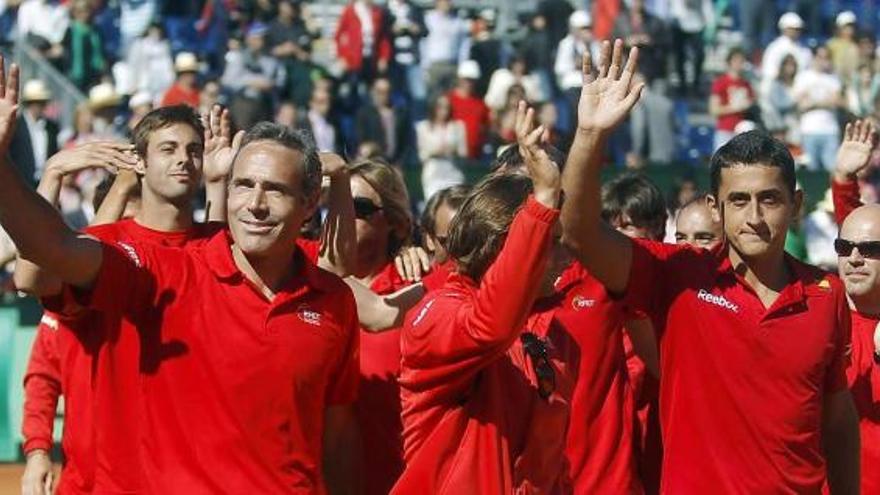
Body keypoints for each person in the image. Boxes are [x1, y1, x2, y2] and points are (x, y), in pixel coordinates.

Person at [0, 50, 357, 489]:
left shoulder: (331, 299)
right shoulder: (164, 269)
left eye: (276, 190)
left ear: (308, 205)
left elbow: (338, 440)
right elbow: (48, 252)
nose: (256, 204)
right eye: (243, 185)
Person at [561, 40, 859, 493]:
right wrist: (590, 136)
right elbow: (579, 232)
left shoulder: (827, 293)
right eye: (738, 200)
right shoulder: (676, 275)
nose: (754, 217)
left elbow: (837, 421)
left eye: (770, 199)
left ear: (795, 205)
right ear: (714, 208)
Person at [391, 101, 570, 493]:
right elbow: (488, 327)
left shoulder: (537, 339)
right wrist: (540, 205)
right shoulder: (437, 313)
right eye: (552, 243)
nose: (567, 256)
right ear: (502, 247)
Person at [821, 119, 880, 494]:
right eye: (843, 251)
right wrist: (842, 176)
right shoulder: (818, 304)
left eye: (871, 252)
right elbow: (859, 233)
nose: (855, 259)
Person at [792, 46, 843, 171]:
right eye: (820, 57)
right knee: (810, 168)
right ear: (813, 58)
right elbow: (800, 104)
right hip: (809, 129)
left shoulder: (833, 79)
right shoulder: (803, 77)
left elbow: (836, 102)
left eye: (826, 57)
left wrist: (812, 102)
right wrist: (824, 102)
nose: (824, 60)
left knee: (832, 169)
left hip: (830, 129)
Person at [9, 80, 60, 187]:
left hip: (45, 183)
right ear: (28, 103)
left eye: (42, 102)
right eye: (35, 102)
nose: (39, 106)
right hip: (21, 183)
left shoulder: (52, 128)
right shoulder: (15, 125)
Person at [416, 94, 466, 199]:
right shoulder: (423, 127)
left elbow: (463, 152)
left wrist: (453, 150)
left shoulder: (458, 126)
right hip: (433, 174)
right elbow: (422, 154)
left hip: (453, 173)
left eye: (446, 107)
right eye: (440, 107)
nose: (444, 111)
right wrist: (436, 151)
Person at [355, 77, 410, 164]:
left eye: (387, 91)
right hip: (373, 161)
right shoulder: (365, 114)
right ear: (373, 92)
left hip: (394, 163)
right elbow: (360, 139)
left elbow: (405, 141)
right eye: (379, 91)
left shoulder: (399, 114)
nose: (384, 95)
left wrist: (400, 162)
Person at [710, 47, 755, 151]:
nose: (739, 64)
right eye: (736, 60)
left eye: (742, 61)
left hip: (742, 130)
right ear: (729, 62)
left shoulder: (746, 84)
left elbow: (751, 103)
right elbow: (714, 110)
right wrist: (735, 107)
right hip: (725, 129)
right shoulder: (721, 82)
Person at [421, 0, 468, 98]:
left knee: (450, 98)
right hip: (434, 65)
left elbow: (464, 46)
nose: (447, 3)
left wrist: (462, 66)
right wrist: (424, 67)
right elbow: (423, 44)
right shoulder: (428, 19)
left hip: (452, 65)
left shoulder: (458, 22)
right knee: (433, 98)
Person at [670, 0, 713, 96]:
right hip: (678, 23)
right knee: (679, 56)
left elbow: (707, 5)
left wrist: (710, 23)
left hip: (697, 24)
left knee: (700, 55)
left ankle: (696, 84)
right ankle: (682, 85)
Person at [448, 60, 490, 160]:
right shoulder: (448, 100)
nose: (469, 83)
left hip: (476, 157)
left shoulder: (481, 104)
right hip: (453, 158)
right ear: (459, 79)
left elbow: (486, 127)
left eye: (472, 80)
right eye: (467, 79)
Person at [761, 12, 812, 94]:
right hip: (779, 88)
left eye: (797, 29)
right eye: (792, 28)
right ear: (784, 29)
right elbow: (769, 73)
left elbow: (807, 72)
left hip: (799, 89)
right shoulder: (774, 48)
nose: (795, 31)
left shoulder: (805, 50)